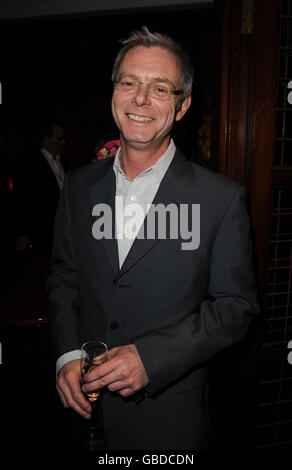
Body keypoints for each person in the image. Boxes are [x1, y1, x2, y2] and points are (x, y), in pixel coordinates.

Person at [46, 26, 259, 450]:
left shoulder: (221, 199)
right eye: (129, 82)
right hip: (86, 413)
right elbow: (65, 278)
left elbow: (236, 307)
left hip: (168, 419)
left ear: (182, 107)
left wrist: (151, 357)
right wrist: (68, 355)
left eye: (160, 88)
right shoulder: (77, 186)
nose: (141, 99)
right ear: (114, 93)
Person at [13, 121, 66, 256]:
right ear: (46, 140)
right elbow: (21, 199)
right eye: (59, 139)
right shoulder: (29, 163)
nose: (63, 142)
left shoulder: (65, 161)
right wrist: (22, 233)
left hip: (63, 230)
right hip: (41, 231)